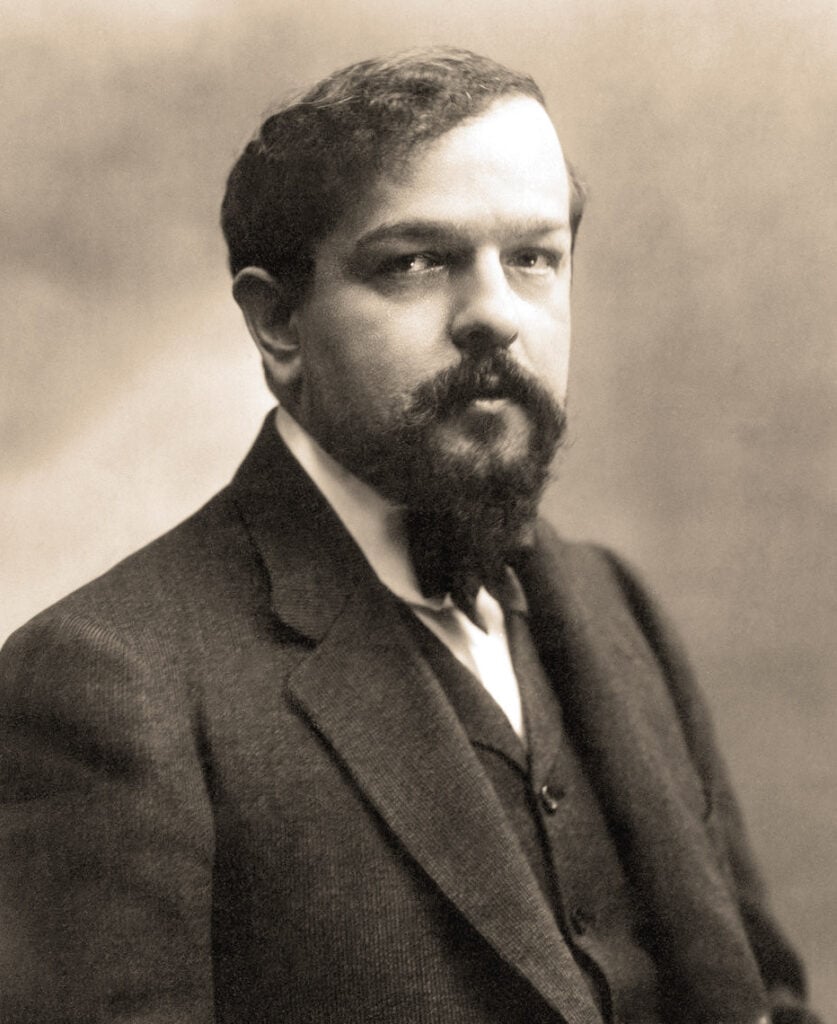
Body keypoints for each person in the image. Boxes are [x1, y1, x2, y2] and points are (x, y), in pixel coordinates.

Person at [0, 48, 819, 1024]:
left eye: (534, 258)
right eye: (416, 263)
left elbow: (763, 996)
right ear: (279, 326)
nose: (495, 316)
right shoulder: (109, 684)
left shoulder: (613, 604)